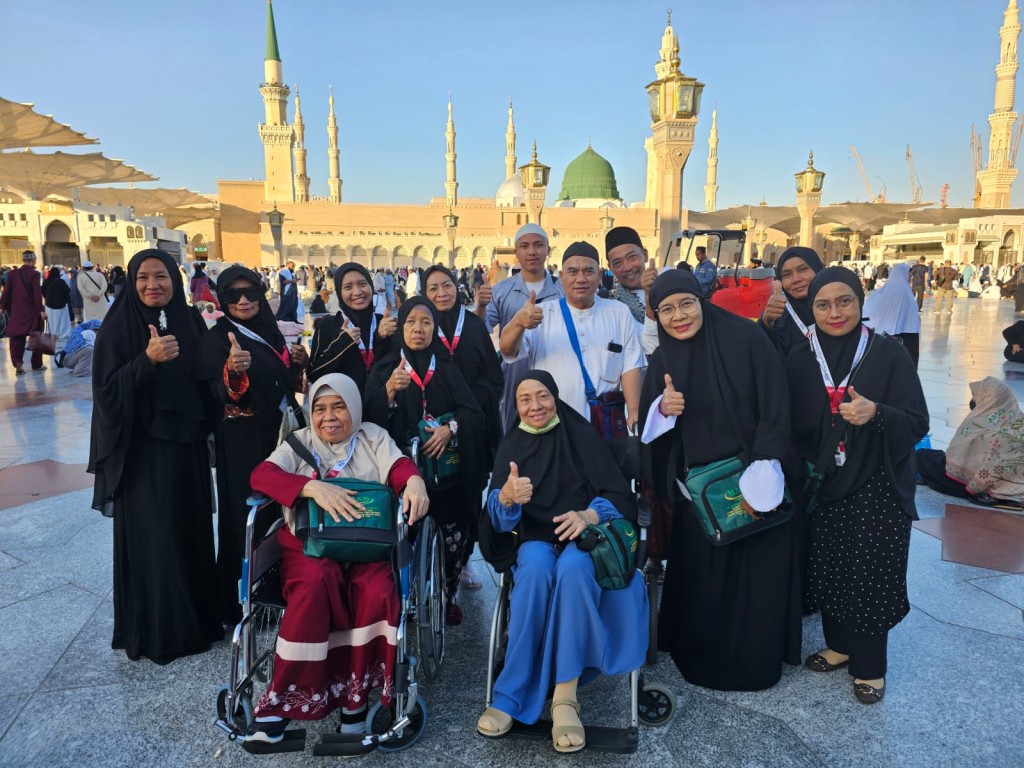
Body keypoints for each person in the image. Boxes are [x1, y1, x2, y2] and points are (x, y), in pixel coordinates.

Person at [639, 270, 800, 691]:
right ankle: (702, 653)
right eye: (667, 310)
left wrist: (766, 462)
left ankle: (755, 660)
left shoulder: (745, 339)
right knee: (707, 577)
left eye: (686, 304)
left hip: (753, 479)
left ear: (701, 301)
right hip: (702, 492)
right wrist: (662, 408)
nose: (679, 317)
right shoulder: (663, 358)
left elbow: (776, 399)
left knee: (753, 576)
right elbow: (648, 426)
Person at [246, 374, 429, 744]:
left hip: (367, 548)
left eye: (339, 406)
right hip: (308, 550)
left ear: (355, 407)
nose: (329, 417)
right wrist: (310, 487)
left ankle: (355, 703)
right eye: (320, 408)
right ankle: (281, 704)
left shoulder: (373, 436)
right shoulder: (298, 443)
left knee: (377, 590)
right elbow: (261, 476)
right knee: (315, 584)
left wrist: (414, 481)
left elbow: (398, 468)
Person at [476, 370, 647, 753]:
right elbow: (497, 523)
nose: (535, 406)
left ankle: (565, 697)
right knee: (535, 571)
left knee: (572, 571)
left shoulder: (581, 435)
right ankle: (510, 694)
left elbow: (618, 496)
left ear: (555, 396)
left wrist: (588, 515)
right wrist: (506, 498)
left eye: (542, 396)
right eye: (525, 399)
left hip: (583, 539)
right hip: (533, 539)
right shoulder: (512, 445)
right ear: (515, 406)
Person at [786, 267, 928, 705]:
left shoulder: (889, 355)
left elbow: (918, 421)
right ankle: (840, 645)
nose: (835, 313)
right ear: (811, 310)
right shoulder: (799, 357)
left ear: (861, 302)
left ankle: (871, 667)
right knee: (829, 566)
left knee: (869, 573)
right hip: (824, 481)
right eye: (823, 305)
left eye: (844, 301)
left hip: (876, 482)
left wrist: (878, 413)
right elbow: (787, 420)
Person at [88, 248, 222, 664]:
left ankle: (199, 623)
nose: (153, 285)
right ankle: (164, 633)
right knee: (158, 537)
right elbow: (106, 395)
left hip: (187, 448)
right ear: (131, 281)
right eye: (143, 277)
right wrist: (146, 361)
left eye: (161, 276)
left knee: (189, 530)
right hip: (143, 454)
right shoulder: (117, 330)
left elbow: (205, 380)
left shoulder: (190, 320)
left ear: (174, 280)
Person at [195, 266, 309, 624]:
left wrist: (297, 365)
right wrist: (233, 370)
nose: (243, 301)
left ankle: (276, 593)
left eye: (251, 293)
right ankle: (242, 600)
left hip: (279, 436)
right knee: (249, 513)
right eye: (233, 295)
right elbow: (216, 393)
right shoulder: (217, 340)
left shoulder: (270, 332)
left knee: (281, 513)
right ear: (222, 300)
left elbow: (281, 382)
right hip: (243, 442)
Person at [364, 297, 488, 624]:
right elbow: (364, 420)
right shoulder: (385, 368)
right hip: (402, 477)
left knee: (454, 538)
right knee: (400, 541)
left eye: (426, 322)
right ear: (401, 327)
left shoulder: (447, 367)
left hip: (447, 478)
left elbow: (473, 412)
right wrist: (389, 391)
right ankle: (402, 598)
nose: (418, 329)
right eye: (411, 322)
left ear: (434, 328)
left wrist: (451, 428)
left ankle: (446, 596)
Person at [499, 241, 644, 434]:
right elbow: (508, 350)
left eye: (589, 271)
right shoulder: (542, 313)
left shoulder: (618, 312)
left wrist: (633, 412)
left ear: (600, 275)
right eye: (573, 272)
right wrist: (518, 322)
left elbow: (630, 367)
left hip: (603, 425)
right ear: (561, 276)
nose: (581, 279)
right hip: (554, 426)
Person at [422, 265, 504, 590]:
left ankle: (464, 558)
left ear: (458, 288)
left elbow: (492, 375)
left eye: (447, 286)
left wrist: (470, 401)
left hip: (472, 426)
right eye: (433, 288)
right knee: (439, 491)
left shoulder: (472, 326)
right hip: (436, 428)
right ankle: (432, 556)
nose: (442, 293)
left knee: (470, 492)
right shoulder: (423, 327)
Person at [477, 223, 564, 431]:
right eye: (524, 246)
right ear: (516, 252)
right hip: (514, 374)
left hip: (557, 368)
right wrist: (480, 305)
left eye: (538, 245)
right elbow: (480, 330)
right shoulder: (502, 290)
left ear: (548, 250)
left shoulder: (563, 289)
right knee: (514, 428)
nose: (532, 251)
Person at [308, 263, 398, 388]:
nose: (357, 292)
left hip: (381, 404)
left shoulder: (384, 323)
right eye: (348, 287)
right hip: (344, 405)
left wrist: (381, 339)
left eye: (362, 284)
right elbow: (314, 374)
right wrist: (342, 343)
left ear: (371, 286)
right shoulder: (328, 325)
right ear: (339, 292)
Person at [943, 377, 1024, 504]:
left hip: (987, 486)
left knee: (925, 459)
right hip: (1016, 486)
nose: (974, 400)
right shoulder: (1019, 422)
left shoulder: (981, 427)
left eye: (976, 395)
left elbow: (955, 456)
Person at [758, 246, 825, 358]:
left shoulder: (839, 309)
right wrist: (766, 322)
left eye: (803, 269)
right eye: (787, 274)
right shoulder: (779, 316)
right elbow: (760, 353)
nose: (796, 279)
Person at [605, 226, 660, 351]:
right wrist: (649, 296)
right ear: (610, 267)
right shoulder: (613, 307)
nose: (627, 267)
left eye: (632, 258)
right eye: (618, 263)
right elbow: (650, 347)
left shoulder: (670, 288)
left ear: (645, 255)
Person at [862, 261, 921, 367]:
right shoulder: (907, 295)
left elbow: (867, 311)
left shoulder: (879, 293)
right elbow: (912, 318)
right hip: (907, 335)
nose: (910, 278)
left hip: (882, 337)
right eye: (909, 275)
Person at [0, 250, 47, 374]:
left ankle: (18, 364)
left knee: (16, 338)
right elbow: (37, 294)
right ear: (33, 260)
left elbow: (6, 291)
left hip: (17, 310)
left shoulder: (13, 274)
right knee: (36, 336)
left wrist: (2, 305)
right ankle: (36, 364)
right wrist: (41, 310)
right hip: (32, 311)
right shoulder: (35, 274)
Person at [43, 266, 72, 345]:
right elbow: (68, 291)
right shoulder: (61, 281)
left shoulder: (46, 281)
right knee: (60, 320)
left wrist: (48, 297)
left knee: (51, 319)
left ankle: (52, 333)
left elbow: (42, 291)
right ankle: (60, 333)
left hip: (49, 304)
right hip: (60, 304)